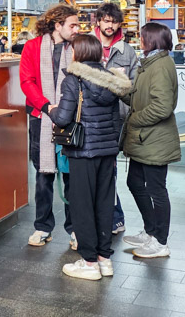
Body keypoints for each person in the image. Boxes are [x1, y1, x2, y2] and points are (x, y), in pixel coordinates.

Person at [47, 34, 133, 280]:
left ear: (79, 54)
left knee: (82, 206)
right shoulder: (111, 81)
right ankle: (105, 259)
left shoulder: (74, 80)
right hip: (107, 150)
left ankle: (88, 262)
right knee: (105, 203)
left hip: (83, 151)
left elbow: (63, 118)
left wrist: (52, 110)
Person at [19, 3, 82, 247]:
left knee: (71, 174)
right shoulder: (32, 47)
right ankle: (42, 226)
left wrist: (64, 110)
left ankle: (75, 228)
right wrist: (47, 107)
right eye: (73, 25)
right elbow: (27, 81)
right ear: (58, 25)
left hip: (70, 118)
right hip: (40, 117)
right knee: (43, 174)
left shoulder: (77, 47)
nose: (77, 29)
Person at [120, 22, 180, 259]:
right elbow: (141, 98)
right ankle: (150, 231)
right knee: (135, 183)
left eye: (142, 37)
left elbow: (162, 107)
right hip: (144, 140)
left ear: (151, 40)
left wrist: (135, 119)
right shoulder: (150, 64)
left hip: (154, 140)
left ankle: (161, 242)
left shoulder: (160, 66)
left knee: (156, 190)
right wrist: (120, 89)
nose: (139, 40)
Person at [92, 1, 139, 235]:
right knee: (97, 170)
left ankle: (113, 218)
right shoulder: (88, 46)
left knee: (110, 168)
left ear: (120, 23)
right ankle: (109, 217)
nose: (110, 25)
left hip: (116, 118)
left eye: (114, 21)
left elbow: (135, 84)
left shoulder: (127, 51)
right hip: (91, 117)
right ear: (98, 21)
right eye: (106, 20)